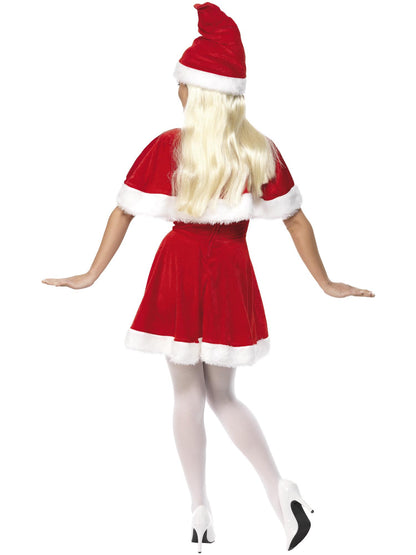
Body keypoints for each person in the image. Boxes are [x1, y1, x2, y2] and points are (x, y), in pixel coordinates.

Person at [42, 2, 375, 552]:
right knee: (224, 396)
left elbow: (123, 211)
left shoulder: (168, 147)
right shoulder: (259, 150)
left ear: (197, 93)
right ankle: (281, 490)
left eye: (183, 83)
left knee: (185, 395)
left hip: (179, 270)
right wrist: (326, 282)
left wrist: (91, 274)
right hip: (230, 273)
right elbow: (296, 220)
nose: (177, 90)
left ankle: (199, 510)